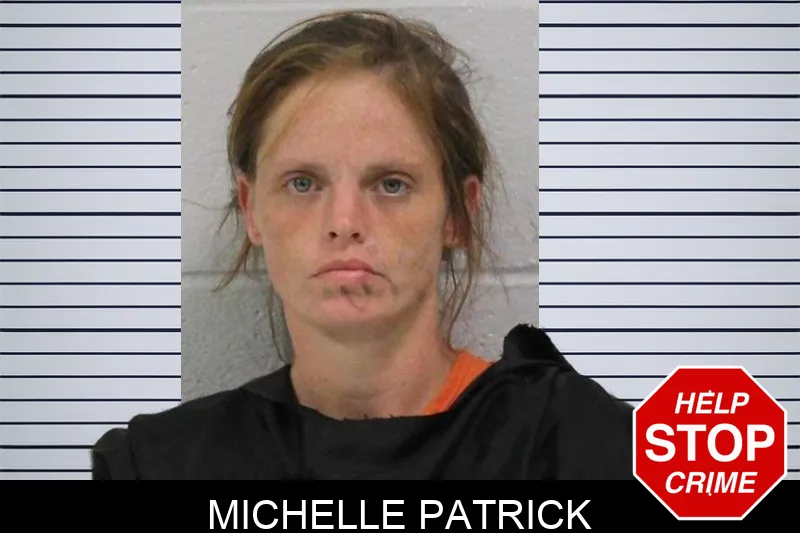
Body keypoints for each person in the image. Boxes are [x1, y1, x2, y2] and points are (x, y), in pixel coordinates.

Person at [91, 9, 633, 480]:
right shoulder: (155, 465)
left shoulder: (585, 447)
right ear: (251, 207)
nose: (344, 221)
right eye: (303, 183)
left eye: (391, 184)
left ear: (458, 214)